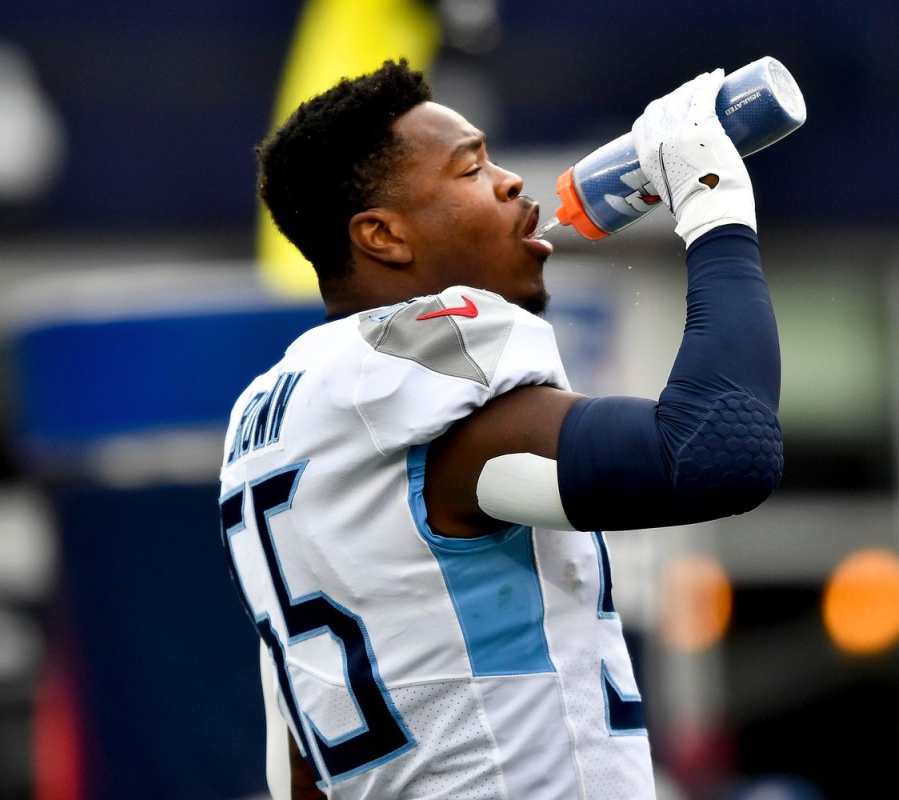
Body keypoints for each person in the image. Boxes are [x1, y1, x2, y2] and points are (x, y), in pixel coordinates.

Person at [219, 60, 783, 799]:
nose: (513, 183)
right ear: (382, 235)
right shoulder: (425, 360)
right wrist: (716, 209)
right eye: (472, 169)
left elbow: (297, 764)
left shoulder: (270, 414)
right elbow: (717, 450)